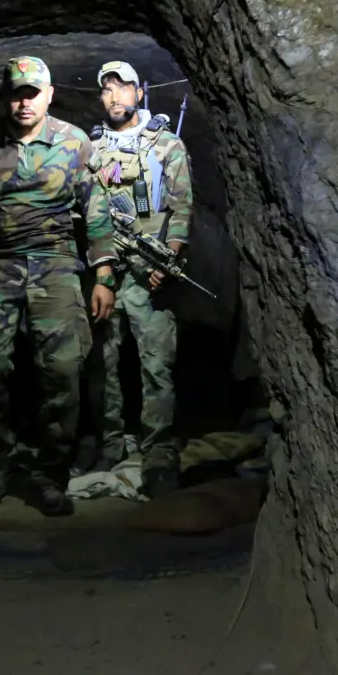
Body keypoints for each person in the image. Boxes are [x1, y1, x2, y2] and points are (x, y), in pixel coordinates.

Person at [0, 56, 117, 516]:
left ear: (49, 94)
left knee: (62, 368)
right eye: (17, 92)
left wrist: (102, 276)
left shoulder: (74, 142)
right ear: (6, 96)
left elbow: (95, 210)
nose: (24, 102)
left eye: (32, 93)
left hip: (55, 260)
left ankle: (52, 471)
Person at [87, 60, 193, 496]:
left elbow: (182, 207)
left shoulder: (167, 145)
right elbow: (88, 208)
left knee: (156, 366)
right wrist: (101, 268)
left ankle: (158, 454)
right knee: (104, 363)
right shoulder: (92, 149)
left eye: (122, 87)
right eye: (107, 89)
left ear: (139, 93)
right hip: (107, 270)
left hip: (151, 272)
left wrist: (168, 259)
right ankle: (110, 443)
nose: (114, 96)